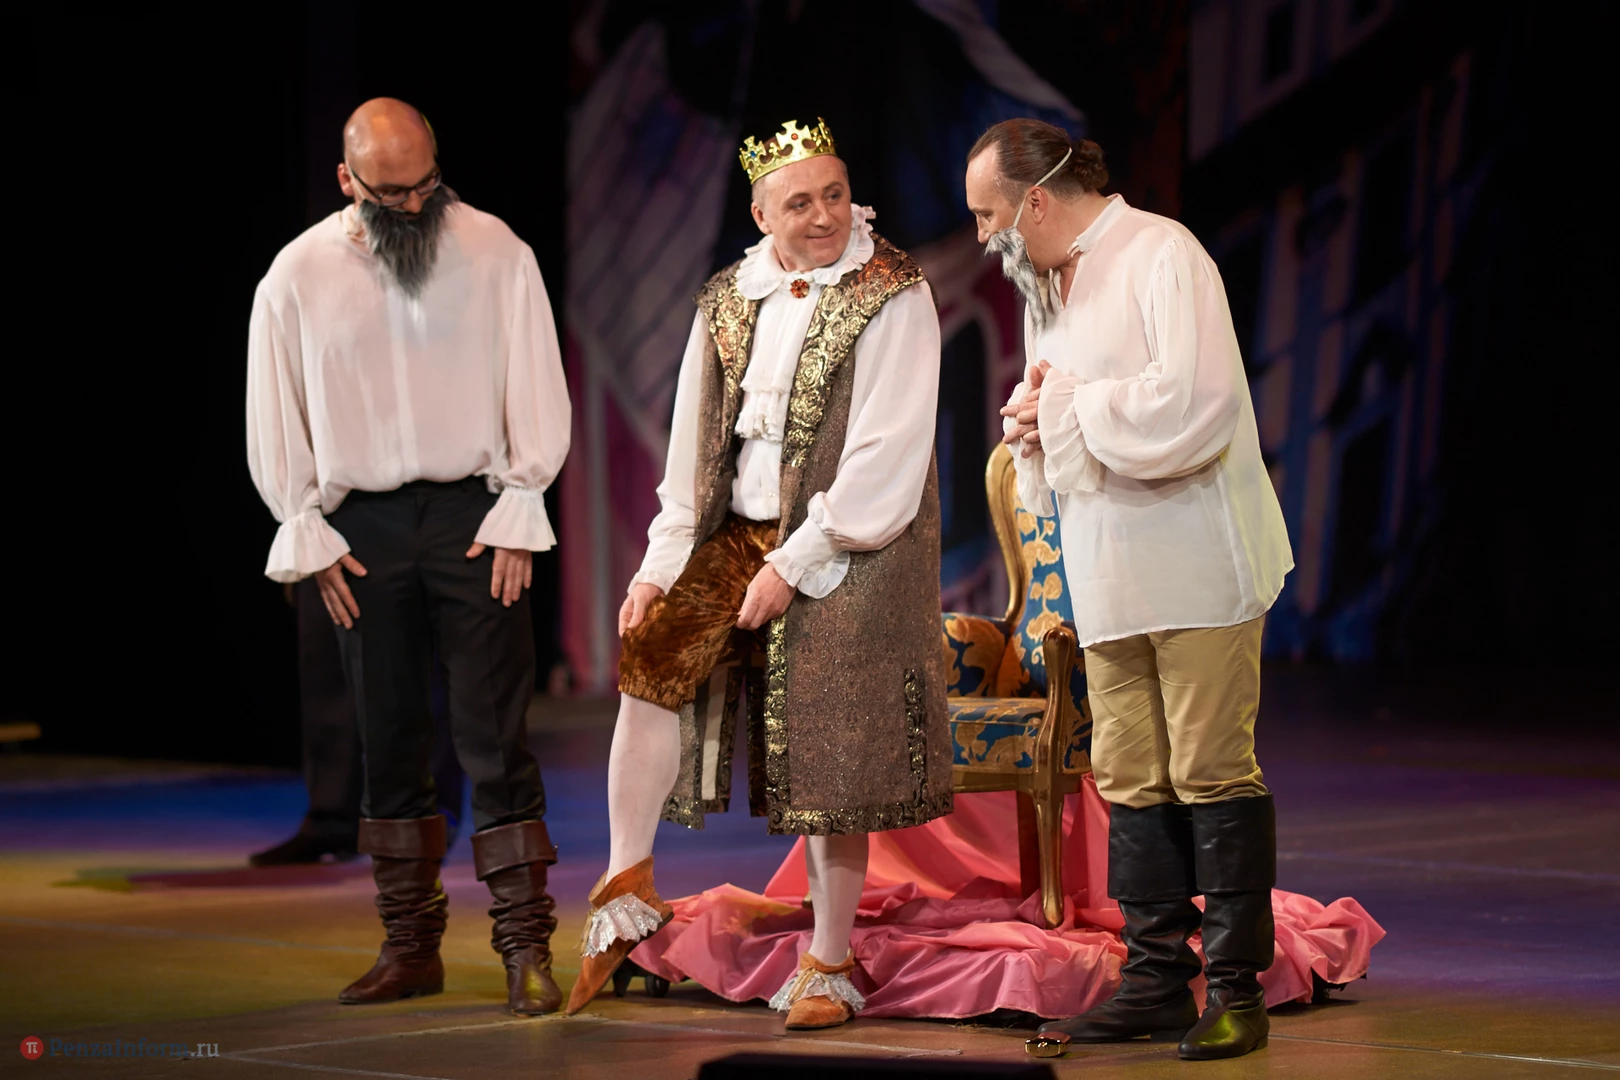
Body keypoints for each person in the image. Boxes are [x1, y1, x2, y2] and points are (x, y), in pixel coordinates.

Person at [565, 118, 951, 1030]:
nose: (824, 216)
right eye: (800, 203)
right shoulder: (729, 297)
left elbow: (886, 458)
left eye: (835, 194)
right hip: (738, 529)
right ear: (761, 215)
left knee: (827, 736)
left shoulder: (894, 291)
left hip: (852, 541)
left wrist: (795, 561)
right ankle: (626, 887)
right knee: (651, 660)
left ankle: (829, 960)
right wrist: (660, 566)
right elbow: (693, 448)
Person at [964, 119, 1293, 1062]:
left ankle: (1235, 990)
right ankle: (1154, 981)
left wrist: (1063, 407)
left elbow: (1194, 405)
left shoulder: (1162, 253)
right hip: (1108, 564)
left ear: (1035, 201)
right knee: (1133, 772)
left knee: (1210, 768)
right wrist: (1032, 424)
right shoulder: (1048, 285)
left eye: (989, 215)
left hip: (1191, 560)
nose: (984, 237)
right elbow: (1061, 409)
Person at [246, 98, 571, 1016]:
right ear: (347, 180)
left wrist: (521, 501)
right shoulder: (298, 273)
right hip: (363, 529)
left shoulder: (495, 250)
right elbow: (276, 408)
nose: (416, 205)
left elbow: (535, 379)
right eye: (392, 193)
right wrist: (303, 526)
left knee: (494, 735)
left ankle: (524, 948)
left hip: (475, 516)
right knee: (387, 736)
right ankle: (409, 947)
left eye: (427, 183)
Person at [248, 580, 464, 867]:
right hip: (326, 552)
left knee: (419, 668)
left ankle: (425, 823)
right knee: (328, 663)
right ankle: (332, 820)